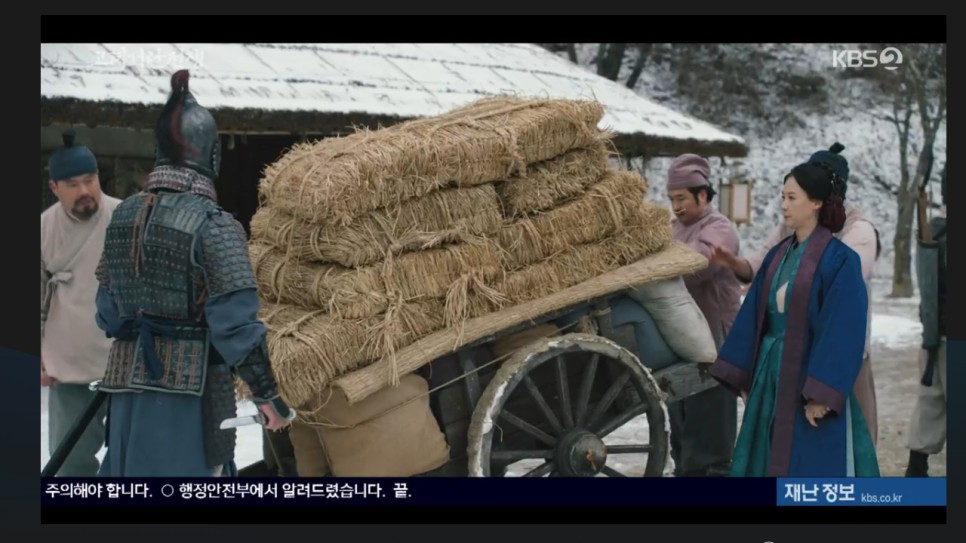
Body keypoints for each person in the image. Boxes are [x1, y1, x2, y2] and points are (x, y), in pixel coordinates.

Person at [93, 69, 292, 477]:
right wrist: (267, 395)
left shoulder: (121, 218)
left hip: (126, 391)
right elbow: (235, 325)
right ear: (209, 153)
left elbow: (107, 315)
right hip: (187, 397)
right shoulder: (214, 224)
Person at [708, 158, 879, 477]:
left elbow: (843, 330)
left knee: (810, 464)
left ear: (815, 203)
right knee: (765, 456)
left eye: (792, 198)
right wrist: (745, 373)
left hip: (808, 377)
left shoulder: (841, 260)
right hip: (771, 376)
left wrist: (821, 395)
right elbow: (753, 317)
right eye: (782, 197)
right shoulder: (777, 256)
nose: (784, 206)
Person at [41, 131, 121, 476]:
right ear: (54, 187)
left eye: (90, 180)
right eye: (73, 184)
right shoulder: (42, 228)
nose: (86, 191)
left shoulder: (125, 218)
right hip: (69, 363)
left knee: (130, 461)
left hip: (124, 364)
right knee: (70, 465)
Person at [664, 153, 743, 476]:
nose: (676, 206)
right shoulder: (673, 229)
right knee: (682, 430)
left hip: (715, 342)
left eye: (681, 198)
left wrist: (659, 265)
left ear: (702, 194)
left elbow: (700, 264)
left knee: (710, 437)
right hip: (681, 340)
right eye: (671, 199)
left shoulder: (720, 229)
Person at [905, 165, 947, 477]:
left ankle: (916, 470)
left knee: (931, 402)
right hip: (945, 338)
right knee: (932, 400)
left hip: (936, 337)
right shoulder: (939, 232)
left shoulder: (937, 229)